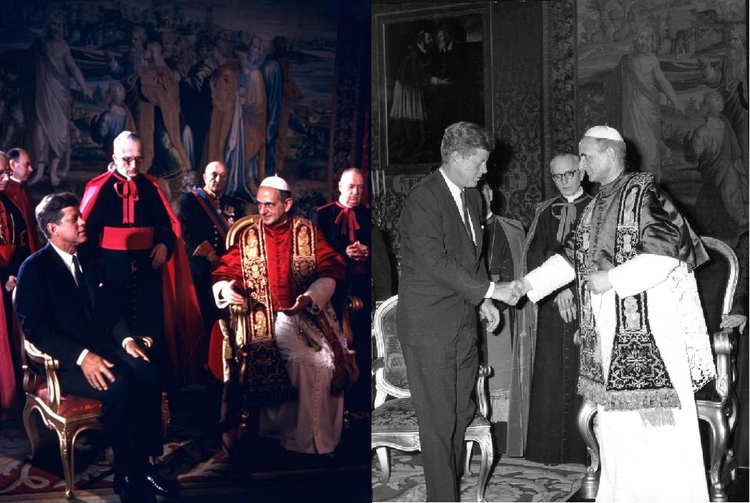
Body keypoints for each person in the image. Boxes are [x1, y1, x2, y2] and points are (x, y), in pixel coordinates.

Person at [513, 125, 715, 501]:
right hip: (609, 332)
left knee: (656, 437)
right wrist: (525, 286)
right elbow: (569, 259)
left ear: (608, 153)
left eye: (586, 156)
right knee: (617, 433)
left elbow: (667, 256)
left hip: (651, 333)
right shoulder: (596, 206)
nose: (582, 164)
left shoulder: (645, 195)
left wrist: (613, 279)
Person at [15, 192, 177, 503]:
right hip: (65, 362)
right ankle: (127, 476)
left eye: (80, 216)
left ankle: (144, 466)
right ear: (53, 229)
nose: (83, 221)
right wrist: (81, 356)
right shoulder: (34, 269)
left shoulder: (90, 258)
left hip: (103, 349)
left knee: (151, 375)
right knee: (120, 388)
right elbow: (36, 329)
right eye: (74, 218)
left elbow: (110, 309)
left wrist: (127, 339)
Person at [397, 121, 519, 501]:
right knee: (437, 424)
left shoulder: (472, 197)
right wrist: (491, 290)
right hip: (428, 328)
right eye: (479, 162)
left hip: (463, 325)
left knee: (459, 418)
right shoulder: (423, 199)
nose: (485, 171)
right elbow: (436, 262)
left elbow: (471, 258)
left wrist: (483, 302)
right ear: (455, 157)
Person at [210, 175, 351, 455]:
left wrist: (310, 297)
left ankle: (321, 439)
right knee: (301, 362)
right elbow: (224, 272)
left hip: (309, 314)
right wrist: (228, 290)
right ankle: (290, 437)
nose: (261, 211)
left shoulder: (307, 232)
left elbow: (331, 268)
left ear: (287, 204)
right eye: (259, 204)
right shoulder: (248, 236)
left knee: (329, 361)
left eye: (269, 204)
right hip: (264, 317)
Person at [80, 131, 205, 387]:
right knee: (117, 333)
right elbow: (85, 240)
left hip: (148, 274)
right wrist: (96, 276)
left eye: (139, 159)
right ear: (114, 157)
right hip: (112, 277)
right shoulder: (99, 187)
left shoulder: (150, 186)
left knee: (153, 333)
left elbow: (166, 225)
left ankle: (158, 399)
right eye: (127, 159)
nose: (134, 166)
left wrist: (163, 243)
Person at [522, 153, 592, 465]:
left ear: (582, 173)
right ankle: (548, 451)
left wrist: (573, 289)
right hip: (553, 308)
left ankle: (582, 451)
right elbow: (533, 256)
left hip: (585, 304)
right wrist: (559, 289)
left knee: (582, 377)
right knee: (551, 378)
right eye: (557, 176)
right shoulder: (545, 211)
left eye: (569, 174)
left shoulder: (596, 207)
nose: (564, 181)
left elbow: (594, 257)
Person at [477, 180, 531, 459]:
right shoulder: (458, 227)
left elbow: (518, 272)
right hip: (468, 310)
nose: (480, 197)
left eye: (483, 192)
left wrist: (498, 294)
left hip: (504, 311)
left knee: (500, 376)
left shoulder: (511, 228)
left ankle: (500, 438)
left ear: (491, 193)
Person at [311, 168, 371, 417]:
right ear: (339, 186)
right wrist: (343, 253)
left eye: (360, 187)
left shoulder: (369, 215)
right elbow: (314, 253)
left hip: (361, 288)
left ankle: (358, 404)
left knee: (362, 343)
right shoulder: (322, 215)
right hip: (333, 289)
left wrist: (368, 252)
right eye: (350, 187)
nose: (355, 192)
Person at [605, 26, 684, 183]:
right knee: (633, 142)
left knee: (650, 145)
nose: (644, 42)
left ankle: (652, 182)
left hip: (649, 109)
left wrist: (675, 101)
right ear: (635, 39)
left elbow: (662, 81)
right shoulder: (626, 61)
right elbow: (613, 84)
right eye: (641, 37)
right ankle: (635, 182)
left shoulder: (652, 60)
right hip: (630, 109)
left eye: (647, 38)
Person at [26, 12, 92, 187]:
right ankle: (40, 171)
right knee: (40, 133)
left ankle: (54, 171)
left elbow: (73, 67)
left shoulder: (63, 46)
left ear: (62, 28)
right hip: (43, 95)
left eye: (58, 25)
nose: (55, 28)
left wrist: (84, 86)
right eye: (52, 25)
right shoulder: (40, 45)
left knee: (59, 134)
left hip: (60, 95)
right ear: (48, 26)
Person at [179, 161, 242, 334]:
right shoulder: (190, 200)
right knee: (201, 315)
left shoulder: (233, 204)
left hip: (225, 268)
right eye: (213, 175)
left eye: (222, 176)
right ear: (205, 177)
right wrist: (211, 254)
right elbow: (186, 231)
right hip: (199, 267)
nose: (217, 179)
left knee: (222, 316)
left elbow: (237, 236)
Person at [683, 90, 748, 237]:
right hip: (731, 177)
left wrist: (687, 142)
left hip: (714, 178)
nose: (700, 105)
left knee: (710, 212)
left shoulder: (701, 132)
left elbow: (693, 158)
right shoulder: (725, 126)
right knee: (731, 211)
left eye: (703, 103)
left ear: (707, 107)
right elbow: (735, 152)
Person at [0, 156, 30, 419]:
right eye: (0, 173)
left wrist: (12, 273)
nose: (6, 178)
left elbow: (22, 247)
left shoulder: (10, 207)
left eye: (7, 172)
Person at [697, 25, 748, 169]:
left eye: (735, 39)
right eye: (729, 40)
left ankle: (744, 173)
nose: (731, 43)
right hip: (726, 105)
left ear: (742, 42)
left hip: (743, 106)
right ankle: (729, 171)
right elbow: (716, 79)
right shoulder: (725, 61)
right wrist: (706, 68)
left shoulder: (746, 61)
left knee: (743, 138)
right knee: (727, 139)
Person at [5, 148, 41, 254]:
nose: (31, 169)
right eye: (27, 165)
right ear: (12, 165)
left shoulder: (24, 190)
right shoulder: (4, 192)